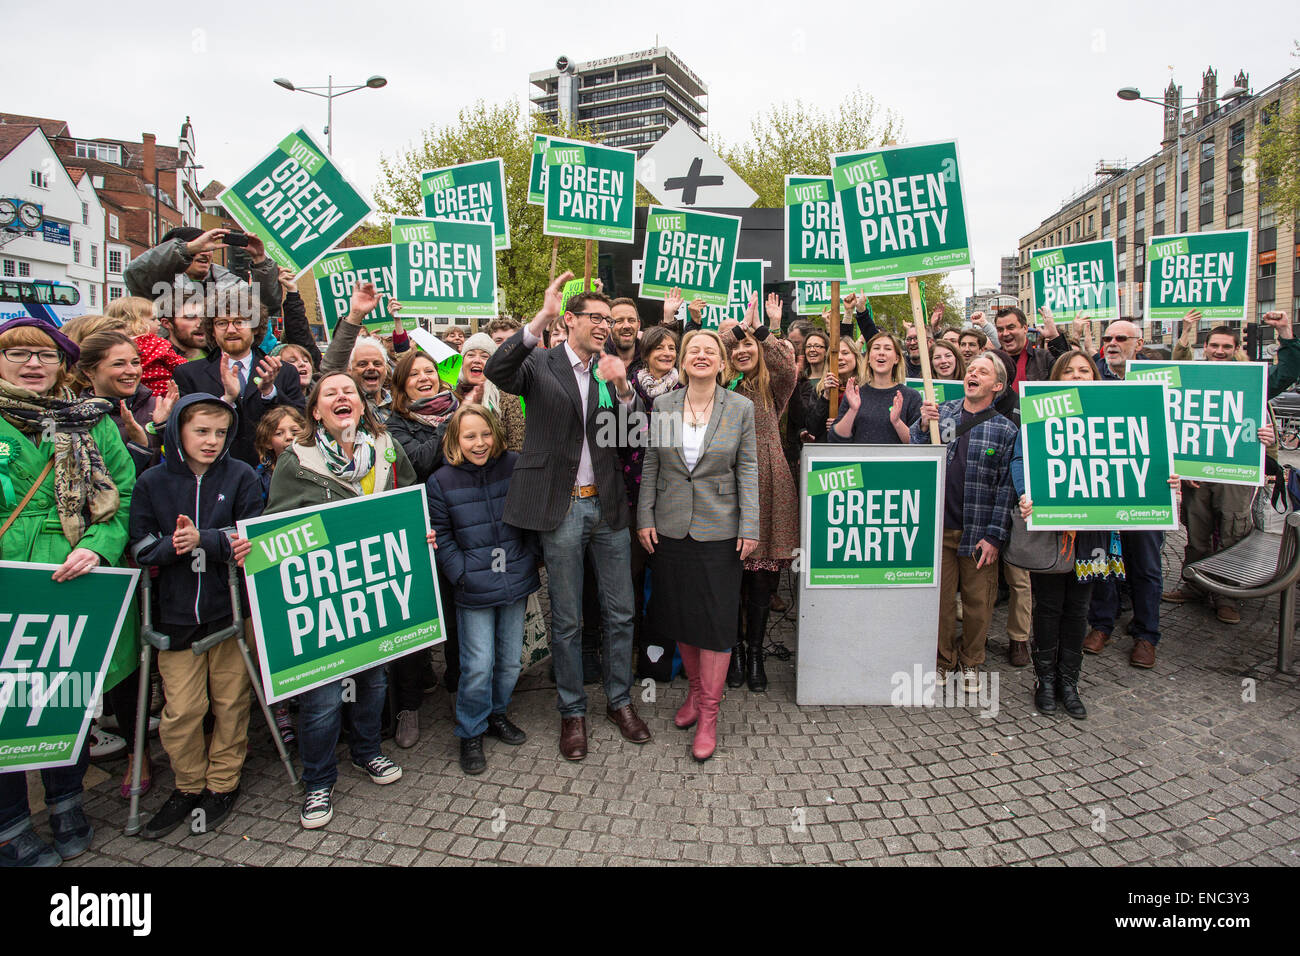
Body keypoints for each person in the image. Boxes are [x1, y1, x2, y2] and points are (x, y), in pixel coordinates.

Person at [484, 271, 650, 761]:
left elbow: (632, 437)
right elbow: (497, 369)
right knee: (570, 617)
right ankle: (572, 711)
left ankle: (619, 701)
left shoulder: (611, 369)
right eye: (595, 318)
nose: (604, 325)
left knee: (620, 611)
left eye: (609, 319)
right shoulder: (540, 365)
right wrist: (540, 318)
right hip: (562, 508)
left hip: (608, 505)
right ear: (570, 320)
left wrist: (623, 391)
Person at [0, 317, 136, 867]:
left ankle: (65, 801)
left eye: (45, 356)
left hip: (76, 572)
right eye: (18, 355)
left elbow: (123, 492)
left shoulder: (89, 422)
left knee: (68, 693)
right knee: (8, 702)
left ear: (63, 366)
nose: (33, 365)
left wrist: (100, 545)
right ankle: (10, 825)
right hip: (10, 575)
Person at [265, 371, 428, 828]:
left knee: (374, 681)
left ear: (361, 405)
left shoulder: (386, 451)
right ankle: (318, 781)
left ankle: (367, 752)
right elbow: (276, 527)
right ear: (315, 411)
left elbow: (408, 500)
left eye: (349, 392)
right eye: (330, 393)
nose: (342, 398)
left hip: (371, 594)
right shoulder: (296, 461)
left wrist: (421, 533)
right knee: (322, 698)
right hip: (326, 597)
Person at [129, 394, 263, 838]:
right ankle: (187, 785)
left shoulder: (241, 475)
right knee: (183, 710)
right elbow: (140, 546)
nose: (211, 441)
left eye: (220, 432)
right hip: (175, 616)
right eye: (201, 431)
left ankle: (223, 782)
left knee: (231, 702)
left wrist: (206, 539)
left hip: (228, 610)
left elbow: (250, 534)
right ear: (177, 432)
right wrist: (174, 546)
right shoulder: (152, 481)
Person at [638, 328, 759, 760]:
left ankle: (709, 712)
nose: (701, 356)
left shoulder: (740, 407)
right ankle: (693, 693)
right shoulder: (665, 403)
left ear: (722, 362)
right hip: (670, 527)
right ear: (683, 360)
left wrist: (750, 525)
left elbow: (747, 468)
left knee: (716, 621)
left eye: (710, 351)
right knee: (680, 616)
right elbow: (652, 462)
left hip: (720, 528)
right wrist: (644, 516)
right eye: (694, 350)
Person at [1011, 350, 1126, 719]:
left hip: (1093, 527)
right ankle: (1044, 680)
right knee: (1048, 606)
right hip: (1052, 523)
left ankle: (1069, 681)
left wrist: (1163, 478)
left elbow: (1141, 452)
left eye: (1084, 370)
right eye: (1069, 371)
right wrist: (1025, 491)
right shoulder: (1041, 408)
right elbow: (1020, 458)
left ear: (1096, 376)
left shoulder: (1113, 410)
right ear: (1057, 378)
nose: (1077, 375)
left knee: (1079, 608)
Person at [427, 404, 540, 774]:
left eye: (485, 434)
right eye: (470, 436)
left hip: (514, 577)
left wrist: (528, 558)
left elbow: (530, 516)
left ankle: (496, 713)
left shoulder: (514, 465)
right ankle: (470, 729)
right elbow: (441, 535)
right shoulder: (441, 481)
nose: (479, 443)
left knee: (509, 660)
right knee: (478, 664)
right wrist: (460, 574)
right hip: (473, 584)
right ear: (455, 440)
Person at [912, 352, 1018, 691]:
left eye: (982, 372)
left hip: (978, 534)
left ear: (997, 386)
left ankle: (971, 661)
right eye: (970, 368)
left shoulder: (1005, 430)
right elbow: (916, 453)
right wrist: (919, 425)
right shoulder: (941, 414)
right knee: (941, 604)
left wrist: (995, 537)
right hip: (938, 527)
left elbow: (1007, 488)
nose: (972, 373)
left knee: (977, 604)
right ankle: (944, 660)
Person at [722, 293, 798, 692]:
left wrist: (761, 329)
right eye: (736, 347)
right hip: (727, 484)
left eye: (749, 346)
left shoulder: (774, 386)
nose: (742, 350)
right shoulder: (720, 385)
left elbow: (786, 361)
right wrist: (738, 329)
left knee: (761, 579)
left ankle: (755, 653)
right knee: (731, 575)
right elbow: (717, 343)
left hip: (768, 483)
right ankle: (733, 650)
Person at [1082, 318, 1168, 667]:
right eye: (1107, 338)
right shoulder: (1089, 379)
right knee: (1102, 558)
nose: (1112, 342)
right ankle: (1102, 624)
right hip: (1103, 485)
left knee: (1146, 564)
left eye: (1121, 338)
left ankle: (1146, 635)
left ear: (1139, 343)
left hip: (1146, 486)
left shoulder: (1158, 379)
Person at [386, 348, 462, 739]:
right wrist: (448, 427)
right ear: (401, 385)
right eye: (413, 374)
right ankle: (408, 706)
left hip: (458, 529)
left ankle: (457, 689)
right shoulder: (392, 424)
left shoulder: (460, 409)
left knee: (455, 617)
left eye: (429, 370)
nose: (424, 377)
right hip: (417, 533)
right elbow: (415, 462)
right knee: (417, 620)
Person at [172, 286, 304, 468]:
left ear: (256, 328)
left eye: (240, 322)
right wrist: (227, 400)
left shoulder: (283, 371)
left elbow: (301, 422)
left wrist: (270, 392)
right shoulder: (188, 374)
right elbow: (186, 428)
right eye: (222, 323)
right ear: (211, 330)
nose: (231, 330)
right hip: (215, 473)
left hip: (274, 472)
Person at [76, 331, 176, 477]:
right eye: (118, 364)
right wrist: (139, 448)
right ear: (89, 371)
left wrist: (166, 427)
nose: (131, 371)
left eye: (135, 362)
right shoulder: (79, 418)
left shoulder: (160, 407)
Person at [124, 225, 283, 317]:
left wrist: (260, 261)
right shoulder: (158, 287)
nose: (205, 252)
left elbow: (265, 307)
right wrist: (189, 248)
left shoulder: (231, 284)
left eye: (209, 248)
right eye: (200, 247)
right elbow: (135, 273)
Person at [829, 331, 922, 444]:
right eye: (876, 348)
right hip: (861, 460)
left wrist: (897, 422)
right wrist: (852, 411)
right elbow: (835, 439)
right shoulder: (855, 393)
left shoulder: (911, 396)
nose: (881, 353)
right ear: (868, 358)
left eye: (887, 349)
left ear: (897, 359)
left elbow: (918, 443)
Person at [106, 296, 187, 399]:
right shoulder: (155, 343)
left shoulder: (113, 345)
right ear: (135, 322)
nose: (158, 323)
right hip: (163, 394)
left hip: (130, 396)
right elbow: (180, 364)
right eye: (153, 319)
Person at [457, 334, 525, 452]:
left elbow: (517, 446)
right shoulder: (450, 396)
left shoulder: (507, 397)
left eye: (484, 356)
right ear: (462, 362)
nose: (477, 360)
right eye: (471, 355)